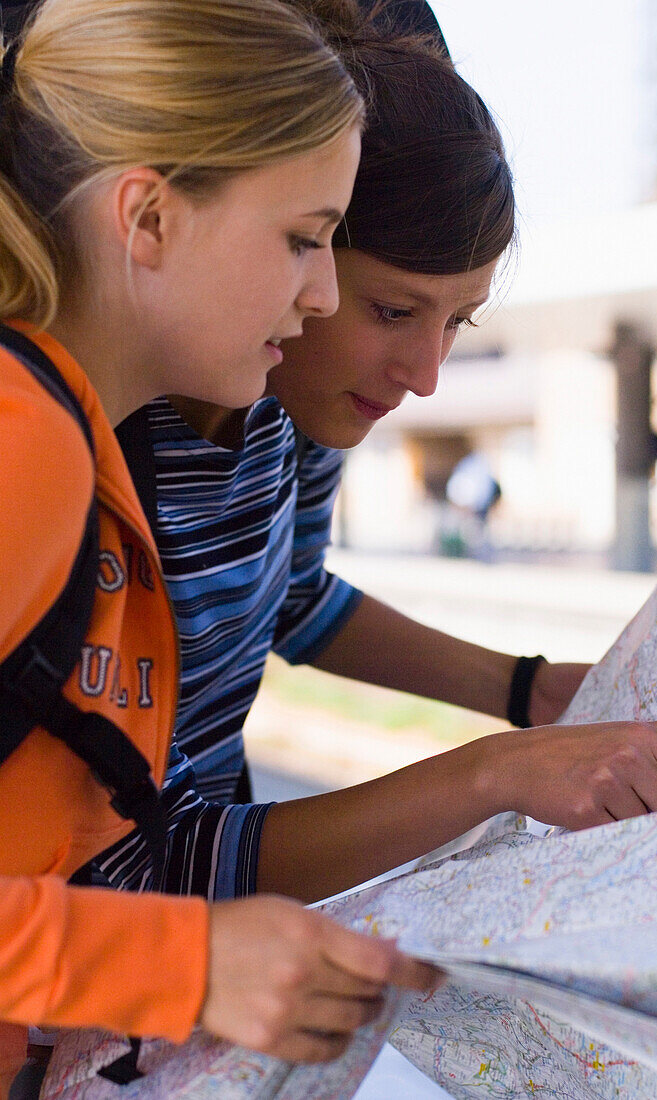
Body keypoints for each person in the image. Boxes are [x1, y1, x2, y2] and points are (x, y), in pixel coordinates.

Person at [93, 0, 657, 913]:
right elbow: (118, 873)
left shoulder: (292, 403)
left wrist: (527, 692)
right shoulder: (85, 453)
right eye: (392, 311)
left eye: (456, 322)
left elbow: (290, 593)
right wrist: (492, 773)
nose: (425, 377)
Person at [0, 0, 440, 1094]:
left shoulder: (67, 437)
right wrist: (184, 960)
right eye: (302, 237)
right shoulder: (26, 449)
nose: (322, 292)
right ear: (146, 217)